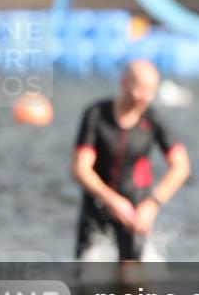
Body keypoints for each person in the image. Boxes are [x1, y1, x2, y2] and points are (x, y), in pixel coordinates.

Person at [72, 59, 190, 261]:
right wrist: (112, 201)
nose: (145, 97)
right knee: (86, 272)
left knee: (131, 280)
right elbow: (80, 168)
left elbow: (181, 166)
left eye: (151, 91)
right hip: (97, 203)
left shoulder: (152, 120)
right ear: (124, 83)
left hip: (136, 208)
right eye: (140, 89)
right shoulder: (96, 115)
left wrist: (153, 204)